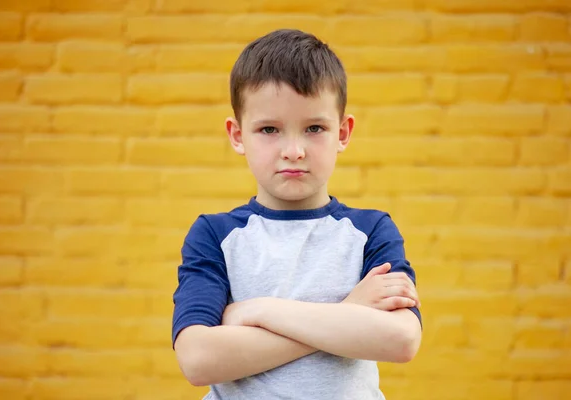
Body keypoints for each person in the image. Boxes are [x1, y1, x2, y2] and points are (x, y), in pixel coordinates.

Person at [171, 28, 422, 400]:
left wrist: (258, 310)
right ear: (238, 135)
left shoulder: (370, 231)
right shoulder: (215, 235)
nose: (293, 150)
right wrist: (348, 313)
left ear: (343, 132)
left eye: (314, 128)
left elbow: (401, 340)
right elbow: (197, 359)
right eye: (269, 129)